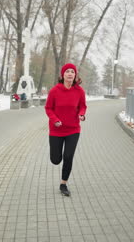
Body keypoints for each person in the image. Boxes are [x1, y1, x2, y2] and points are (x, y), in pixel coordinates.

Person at [45, 63, 87, 196]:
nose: (70, 74)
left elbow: (83, 106)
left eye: (72, 72)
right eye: (67, 71)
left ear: (75, 76)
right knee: (56, 160)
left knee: (68, 156)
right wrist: (55, 120)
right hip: (56, 130)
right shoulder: (54, 91)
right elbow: (48, 108)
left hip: (73, 130)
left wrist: (81, 114)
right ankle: (57, 157)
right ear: (62, 75)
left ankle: (63, 184)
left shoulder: (79, 91)